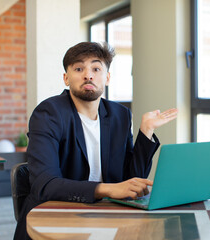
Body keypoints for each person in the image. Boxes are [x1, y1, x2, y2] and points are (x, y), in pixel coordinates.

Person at [14, 42, 178, 239]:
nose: (88, 75)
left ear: (107, 78)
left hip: (106, 216)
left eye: (96, 68)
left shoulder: (120, 115)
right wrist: (106, 189)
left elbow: (132, 180)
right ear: (66, 78)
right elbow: (45, 184)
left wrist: (146, 132)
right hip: (55, 216)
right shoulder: (48, 114)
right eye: (78, 68)